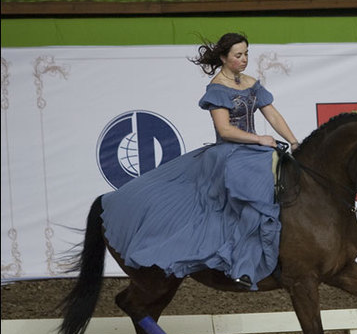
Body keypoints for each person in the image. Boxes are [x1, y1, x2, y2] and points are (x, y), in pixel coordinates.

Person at [100, 32, 300, 290]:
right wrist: (258, 139)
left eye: (246, 54)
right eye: (238, 55)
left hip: (255, 151)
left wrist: (294, 141)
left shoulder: (251, 83)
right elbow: (225, 130)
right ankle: (242, 261)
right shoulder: (217, 88)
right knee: (255, 190)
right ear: (224, 58)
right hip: (230, 153)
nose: (244, 59)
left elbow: (272, 115)